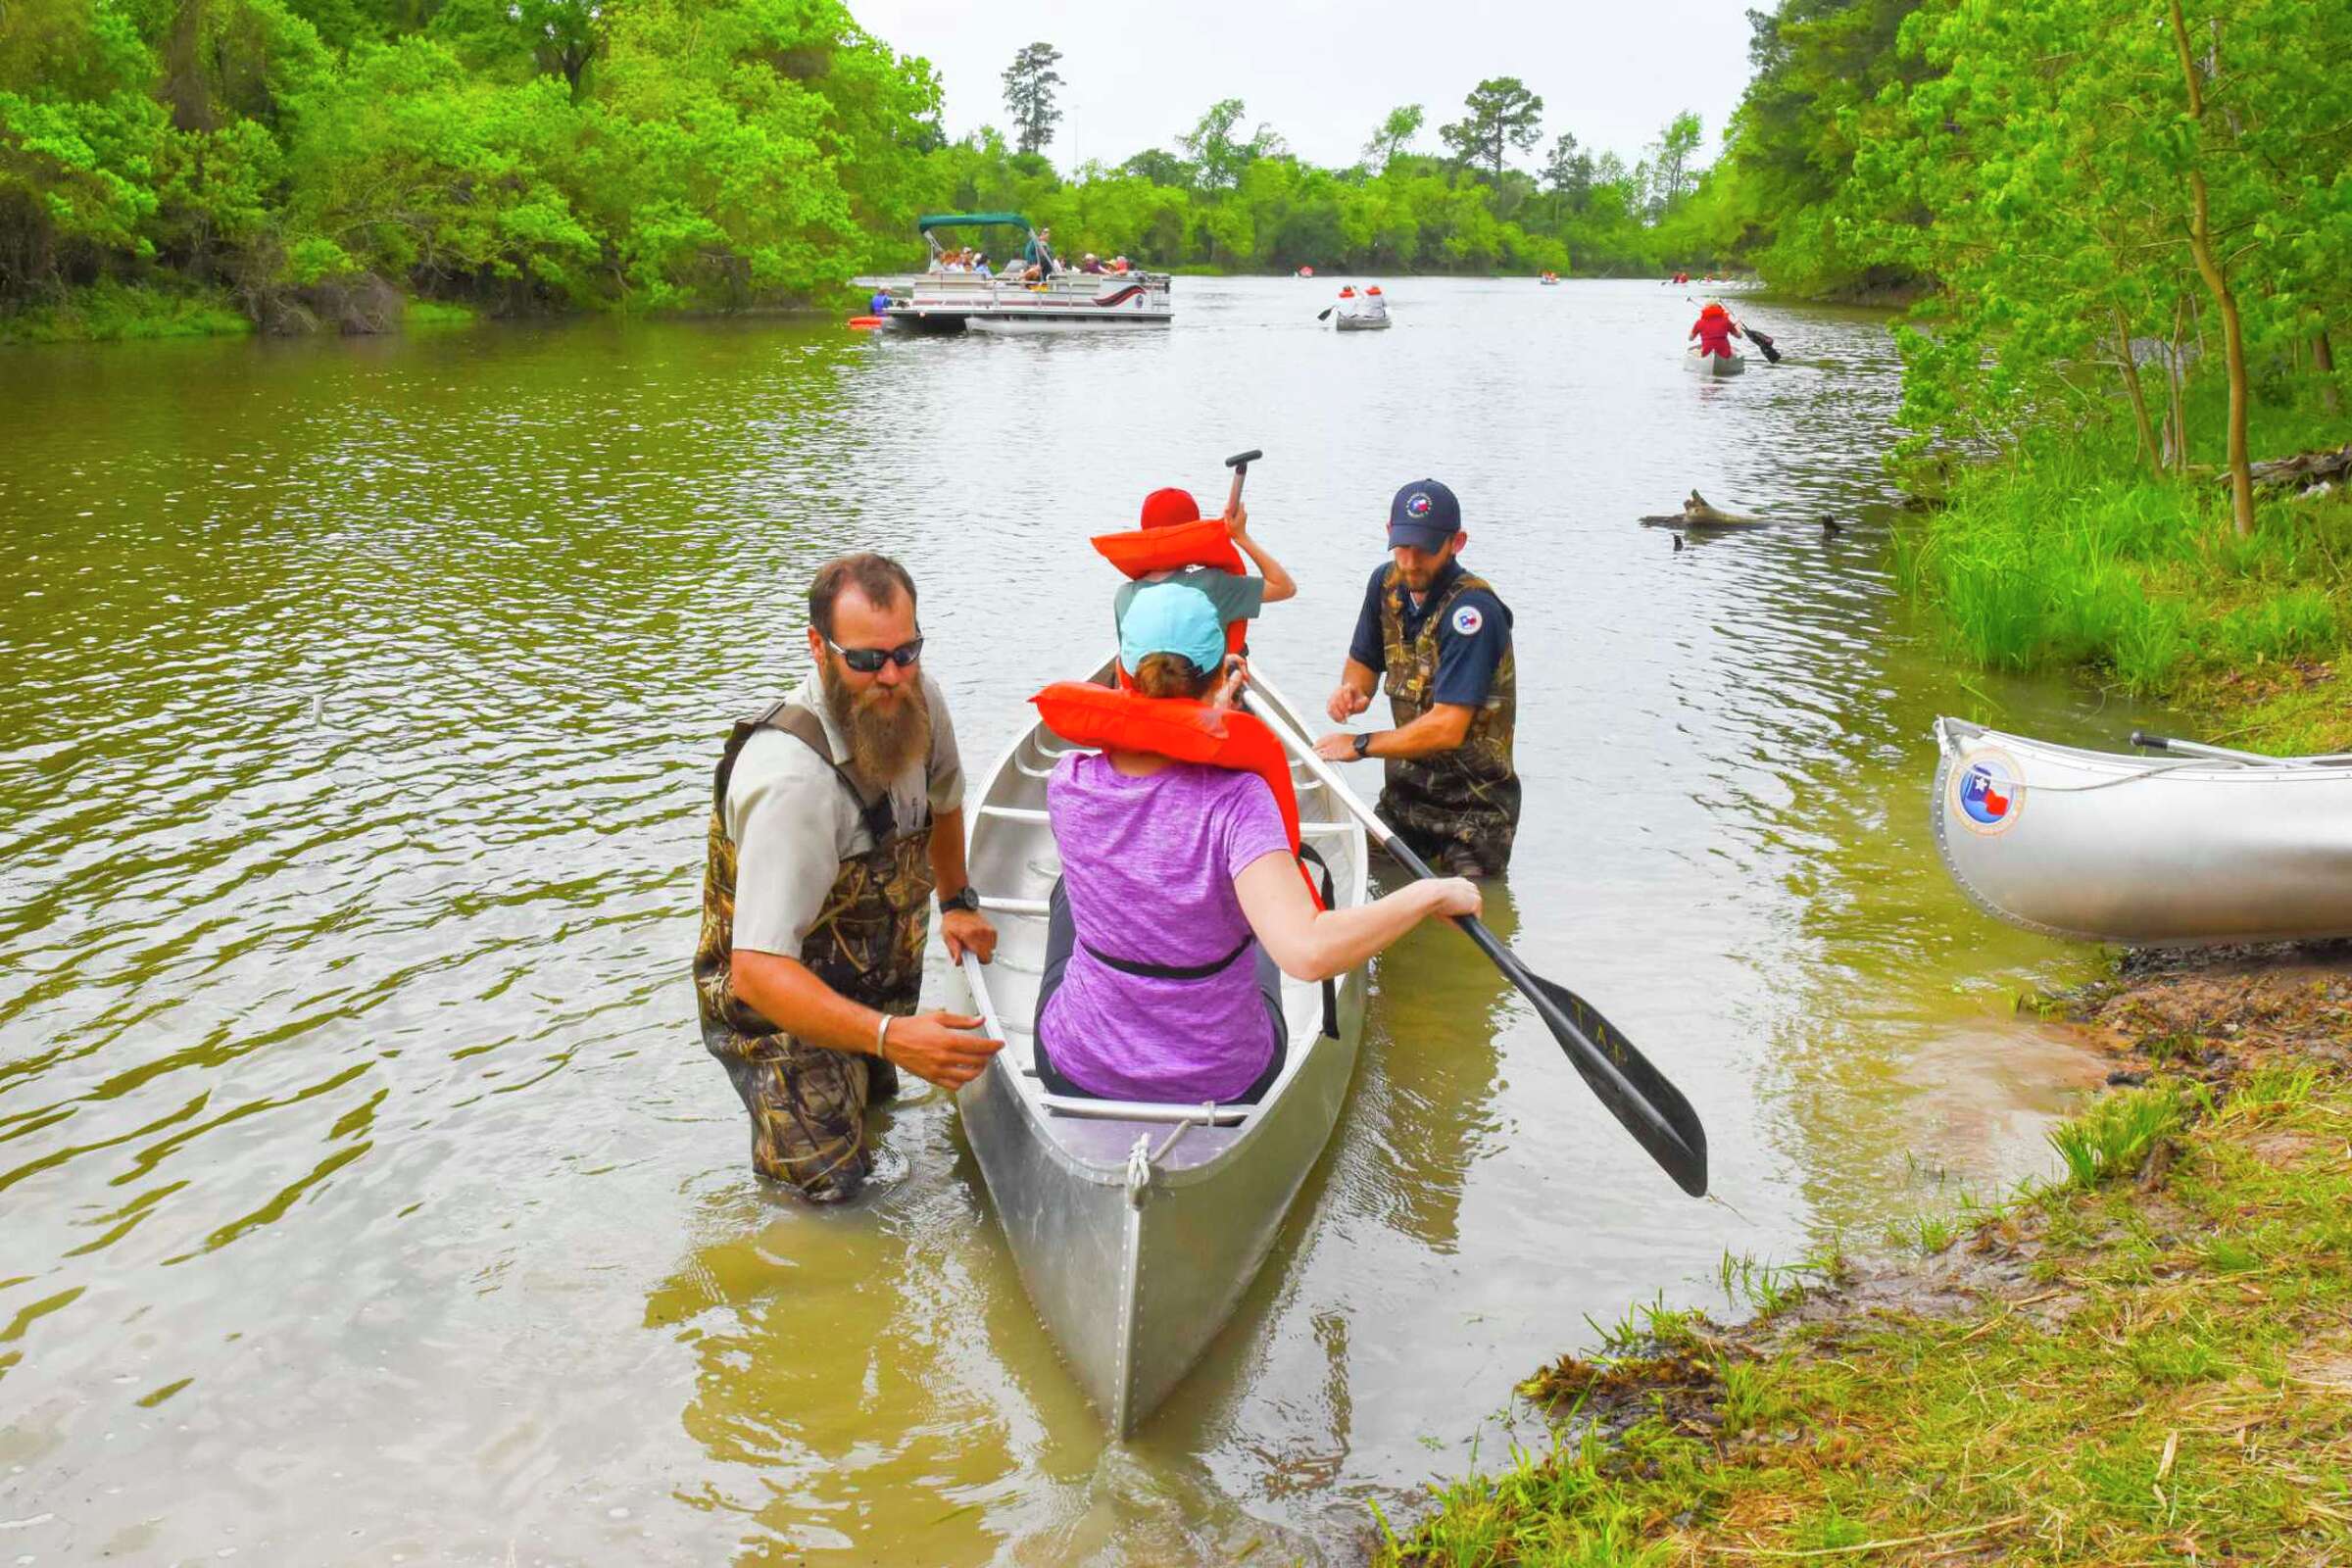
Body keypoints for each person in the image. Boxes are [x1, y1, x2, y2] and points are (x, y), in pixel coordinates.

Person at [1035, 585, 1481, 1102]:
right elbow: (1308, 952)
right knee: (1256, 919)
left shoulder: (1068, 782)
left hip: (1080, 1063)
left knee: (1069, 893)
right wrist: (1430, 894)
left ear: (1120, 671)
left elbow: (1156, 784)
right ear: (1214, 681)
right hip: (1222, 1078)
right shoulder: (1241, 799)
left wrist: (1207, 716)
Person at [693, 553, 1003, 1201]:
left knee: (876, 1116)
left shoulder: (918, 700)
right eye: (865, 661)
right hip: (776, 1009)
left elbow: (944, 804)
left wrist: (957, 902)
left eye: (905, 652)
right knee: (828, 1196)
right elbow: (754, 969)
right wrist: (893, 1037)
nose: (890, 677)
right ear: (818, 647)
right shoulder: (791, 784)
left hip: (873, 976)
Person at [1314, 479, 1519, 879]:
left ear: (1456, 542)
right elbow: (1363, 663)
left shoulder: (1472, 613)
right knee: (1366, 887)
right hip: (1405, 799)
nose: (1409, 562)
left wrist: (1360, 744)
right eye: (1402, 547)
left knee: (1460, 917)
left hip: (1474, 815)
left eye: (1424, 550)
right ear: (1389, 534)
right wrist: (1352, 691)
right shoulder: (1385, 584)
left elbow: (1447, 727)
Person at [1109, 487, 1295, 650]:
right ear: (1193, 532)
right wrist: (1241, 536)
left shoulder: (1124, 596)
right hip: (1206, 688)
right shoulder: (1213, 586)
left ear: (1144, 533)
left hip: (1143, 689)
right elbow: (1285, 587)